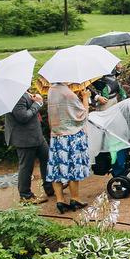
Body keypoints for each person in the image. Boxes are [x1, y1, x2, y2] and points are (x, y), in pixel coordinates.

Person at [45, 83, 91, 213]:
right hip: (71, 137)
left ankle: (60, 201)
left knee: (56, 167)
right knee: (72, 168)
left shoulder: (51, 90)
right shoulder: (67, 93)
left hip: (56, 136)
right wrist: (85, 97)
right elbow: (81, 115)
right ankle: (75, 198)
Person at [4, 91, 55, 205]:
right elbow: (23, 117)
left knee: (47, 158)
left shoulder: (24, 92)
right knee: (26, 167)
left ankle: (50, 187)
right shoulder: (15, 96)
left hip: (36, 136)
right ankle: (25, 196)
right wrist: (37, 104)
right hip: (24, 138)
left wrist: (34, 99)